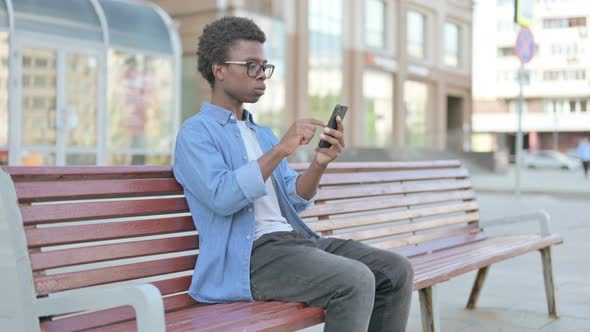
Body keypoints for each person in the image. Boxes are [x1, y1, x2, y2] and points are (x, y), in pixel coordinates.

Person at [173, 17, 413, 332]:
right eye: (251, 66)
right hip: (250, 258)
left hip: (295, 242)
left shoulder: (262, 133)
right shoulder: (195, 134)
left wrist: (319, 164)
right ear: (219, 70)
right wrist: (281, 150)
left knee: (396, 270)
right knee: (354, 280)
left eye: (264, 66)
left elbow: (293, 199)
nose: (262, 76)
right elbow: (222, 197)